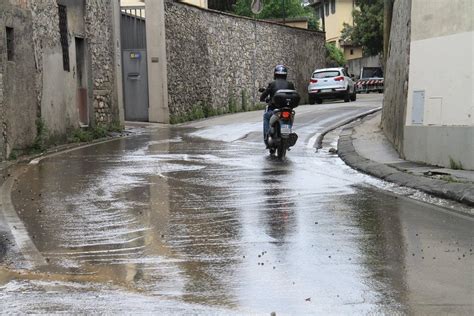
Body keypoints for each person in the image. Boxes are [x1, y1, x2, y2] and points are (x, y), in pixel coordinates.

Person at [260, 65, 295, 146]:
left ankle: (266, 137)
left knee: (266, 116)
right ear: (285, 75)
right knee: (290, 117)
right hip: (288, 110)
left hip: (274, 111)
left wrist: (262, 98)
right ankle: (288, 132)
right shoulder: (290, 84)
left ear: (275, 74)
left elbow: (264, 95)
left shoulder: (272, 84)